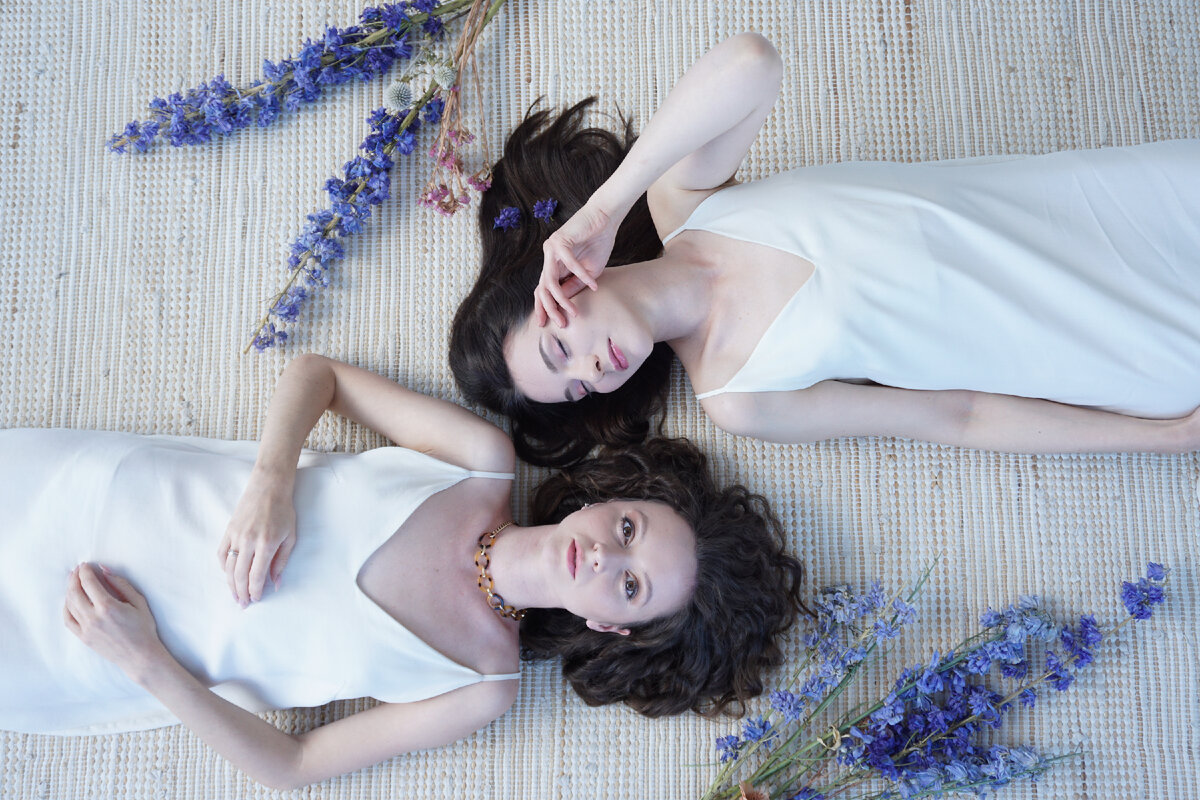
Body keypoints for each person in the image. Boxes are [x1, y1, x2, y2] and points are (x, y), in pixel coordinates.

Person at [0, 354, 806, 789]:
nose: (603, 553)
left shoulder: (482, 685)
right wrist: (273, 481)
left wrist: (145, 662)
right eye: (628, 528)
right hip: (107, 499)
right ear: (615, 498)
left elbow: (292, 767)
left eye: (630, 584)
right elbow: (318, 375)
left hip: (102, 639)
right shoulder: (481, 460)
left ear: (611, 626)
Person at [449, 33, 1200, 467]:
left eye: (559, 350)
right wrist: (1159, 437)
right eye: (578, 391)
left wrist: (605, 209)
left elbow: (752, 62)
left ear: (557, 281)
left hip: (1090, 207)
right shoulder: (739, 398)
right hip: (1105, 346)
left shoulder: (684, 199)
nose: (592, 372)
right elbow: (958, 415)